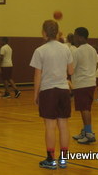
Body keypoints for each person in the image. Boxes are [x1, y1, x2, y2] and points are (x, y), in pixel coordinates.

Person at [30, 20, 73, 169]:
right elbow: (71, 71)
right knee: (63, 125)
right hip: (63, 90)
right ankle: (63, 159)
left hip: (48, 91)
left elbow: (37, 75)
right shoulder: (66, 49)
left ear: (44, 32)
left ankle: (50, 159)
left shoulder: (40, 50)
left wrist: (36, 94)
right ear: (57, 32)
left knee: (50, 126)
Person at [71, 27, 98, 144]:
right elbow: (96, 65)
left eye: (75, 36)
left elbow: (71, 69)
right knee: (85, 108)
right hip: (91, 82)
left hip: (82, 83)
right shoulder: (92, 49)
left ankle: (89, 133)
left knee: (85, 109)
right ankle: (85, 131)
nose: (74, 38)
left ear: (81, 37)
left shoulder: (78, 51)